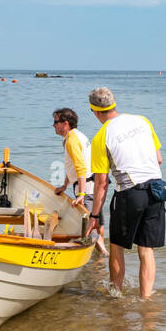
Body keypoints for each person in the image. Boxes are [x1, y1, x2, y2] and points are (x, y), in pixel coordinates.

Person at [85, 87, 166, 299]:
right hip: (157, 190)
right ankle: (146, 299)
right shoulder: (142, 121)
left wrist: (94, 215)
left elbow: (101, 183)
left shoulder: (101, 136)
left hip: (130, 194)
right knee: (146, 249)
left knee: (118, 246)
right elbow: (158, 159)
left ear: (94, 111)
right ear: (114, 104)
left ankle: (115, 296)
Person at [52, 107, 107, 255]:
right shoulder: (76, 136)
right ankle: (101, 261)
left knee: (90, 227)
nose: (53, 125)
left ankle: (102, 254)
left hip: (87, 188)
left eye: (56, 122)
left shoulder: (71, 141)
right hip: (94, 185)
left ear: (65, 123)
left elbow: (80, 168)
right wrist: (65, 185)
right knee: (97, 223)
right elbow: (73, 166)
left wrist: (81, 194)